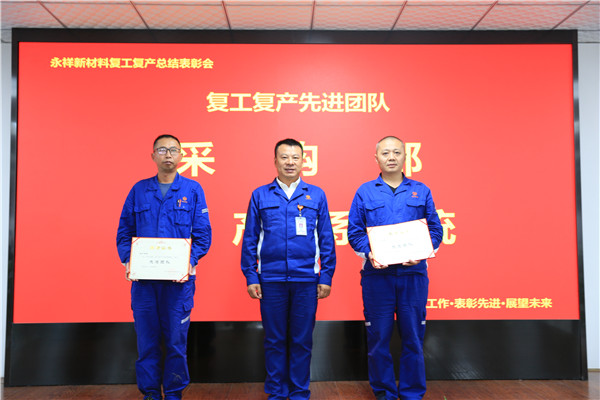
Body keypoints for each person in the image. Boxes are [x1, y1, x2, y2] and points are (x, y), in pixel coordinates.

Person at [116, 134, 212, 400]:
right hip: (145, 284)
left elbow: (203, 235)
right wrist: (129, 260)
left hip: (178, 285)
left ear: (181, 155)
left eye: (173, 150)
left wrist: (190, 261)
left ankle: (173, 393)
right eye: (162, 150)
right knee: (147, 342)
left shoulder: (193, 190)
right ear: (153, 156)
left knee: (175, 342)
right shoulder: (139, 190)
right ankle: (150, 393)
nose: (168, 154)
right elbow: (124, 231)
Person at [347, 136, 443, 400]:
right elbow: (354, 232)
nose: (391, 157)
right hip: (377, 276)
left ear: (405, 156)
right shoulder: (365, 191)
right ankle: (385, 393)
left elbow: (435, 229)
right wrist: (371, 253)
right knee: (378, 339)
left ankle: (412, 393)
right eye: (386, 153)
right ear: (376, 158)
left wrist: (421, 252)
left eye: (397, 152)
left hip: (413, 276)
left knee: (413, 338)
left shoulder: (421, 190)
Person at [241, 138, 336, 400]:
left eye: (295, 157)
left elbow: (326, 238)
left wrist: (326, 275)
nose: (290, 162)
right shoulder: (260, 195)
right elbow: (250, 239)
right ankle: (276, 393)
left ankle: (299, 392)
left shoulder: (316, 195)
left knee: (301, 340)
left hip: (306, 279)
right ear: (275, 161)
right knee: (274, 340)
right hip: (271, 279)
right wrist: (251, 275)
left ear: (304, 161)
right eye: (284, 157)